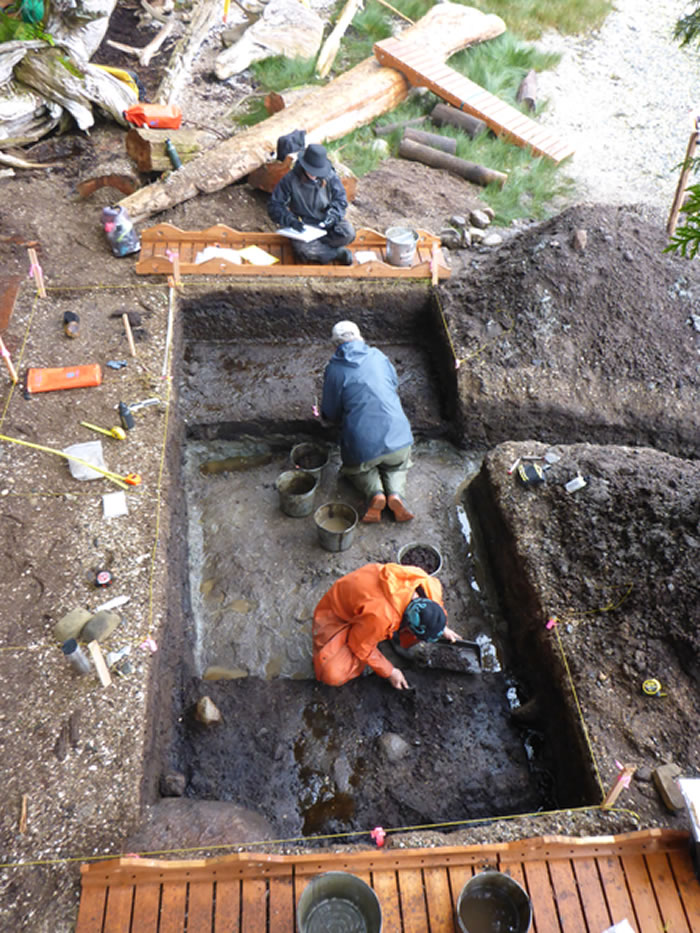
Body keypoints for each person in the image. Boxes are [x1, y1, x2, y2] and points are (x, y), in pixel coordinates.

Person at [321, 320, 415, 523]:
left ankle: (375, 494)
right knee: (397, 467)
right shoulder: (378, 356)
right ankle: (396, 495)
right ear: (360, 337)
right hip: (399, 437)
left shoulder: (334, 369)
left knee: (357, 470)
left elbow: (331, 413)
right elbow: (393, 383)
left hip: (363, 447)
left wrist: (325, 415)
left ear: (334, 345)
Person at [312, 562, 460, 690]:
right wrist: (390, 672)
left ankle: (385, 635)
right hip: (337, 614)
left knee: (388, 630)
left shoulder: (428, 584)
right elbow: (359, 645)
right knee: (332, 673)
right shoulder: (381, 618)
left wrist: (441, 627)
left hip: (368, 602)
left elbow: (434, 611)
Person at [268, 143, 355, 265]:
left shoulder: (330, 176)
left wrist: (333, 216)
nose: (314, 175)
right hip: (304, 225)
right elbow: (275, 205)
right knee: (303, 249)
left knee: (348, 233)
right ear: (304, 166)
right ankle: (337, 253)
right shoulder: (290, 179)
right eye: (311, 171)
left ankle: (318, 249)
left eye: (317, 172)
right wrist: (291, 221)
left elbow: (340, 200)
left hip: (326, 222)